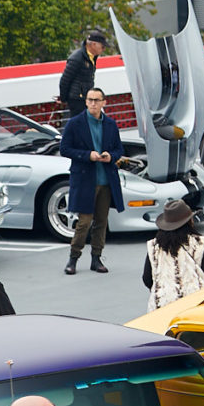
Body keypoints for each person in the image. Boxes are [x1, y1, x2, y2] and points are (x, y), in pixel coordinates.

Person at [58, 86, 125, 275]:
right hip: (85, 179)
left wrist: (110, 156)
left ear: (104, 102)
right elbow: (65, 149)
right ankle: (73, 258)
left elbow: (119, 149)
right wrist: (88, 155)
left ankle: (96, 258)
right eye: (90, 100)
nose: (93, 103)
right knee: (84, 222)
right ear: (86, 102)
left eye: (97, 100)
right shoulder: (75, 123)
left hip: (106, 180)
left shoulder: (110, 124)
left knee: (101, 222)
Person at [58, 27, 106, 122]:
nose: (103, 50)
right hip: (77, 100)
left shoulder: (91, 57)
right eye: (102, 47)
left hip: (86, 98)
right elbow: (65, 80)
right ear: (93, 44)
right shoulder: (77, 58)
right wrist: (63, 99)